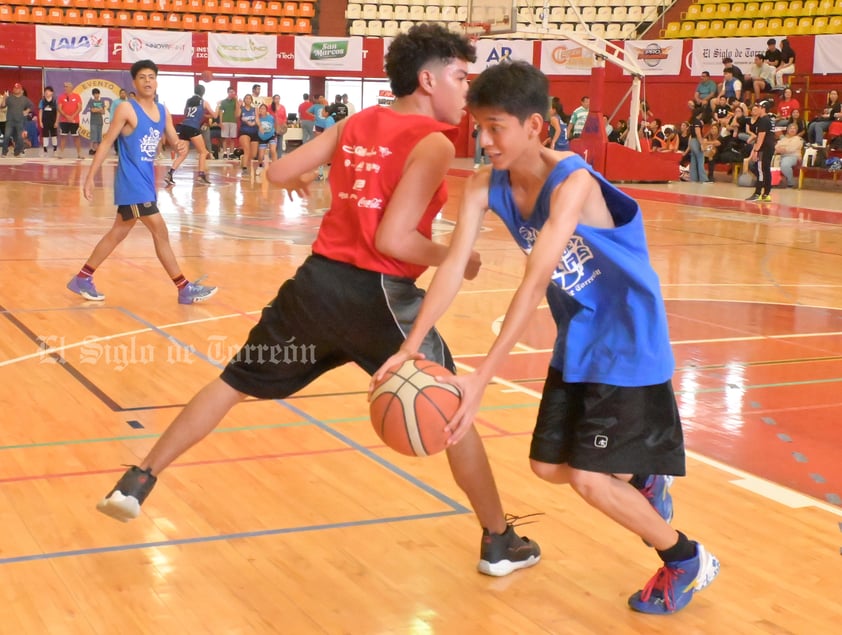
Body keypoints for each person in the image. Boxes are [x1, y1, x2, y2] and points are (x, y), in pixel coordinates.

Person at [94, 26, 541, 579]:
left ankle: (139, 479)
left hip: (315, 286)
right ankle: (498, 540)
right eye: (458, 76)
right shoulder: (433, 141)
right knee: (453, 411)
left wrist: (304, 178)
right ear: (428, 80)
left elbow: (279, 170)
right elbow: (394, 241)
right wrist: (455, 255)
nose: (466, 89)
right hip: (380, 297)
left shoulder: (357, 121)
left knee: (233, 383)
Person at [372, 60, 718, 614]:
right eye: (477, 127)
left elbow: (536, 280)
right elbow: (454, 264)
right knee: (547, 467)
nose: (482, 142)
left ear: (534, 126)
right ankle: (646, 476)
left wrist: (479, 379)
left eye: (495, 128)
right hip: (579, 338)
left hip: (628, 341)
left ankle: (686, 559)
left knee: (588, 477)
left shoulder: (574, 180)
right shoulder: (485, 186)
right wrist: (410, 347)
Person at [67, 59, 217, 305]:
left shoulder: (163, 111)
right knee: (160, 231)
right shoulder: (127, 108)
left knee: (118, 233)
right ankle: (183, 288)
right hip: (132, 183)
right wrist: (90, 177)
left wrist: (179, 146)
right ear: (134, 82)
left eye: (152, 77)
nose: (148, 81)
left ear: (157, 81)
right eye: (143, 77)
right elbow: (106, 143)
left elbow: (173, 141)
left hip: (147, 183)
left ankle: (83, 277)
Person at [165, 84, 216, 186]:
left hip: (184, 126)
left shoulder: (188, 101)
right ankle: (201, 175)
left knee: (183, 154)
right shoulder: (204, 102)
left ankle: (169, 173)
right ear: (203, 93)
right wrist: (218, 106)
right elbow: (215, 115)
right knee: (203, 152)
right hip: (193, 127)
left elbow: (185, 113)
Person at [746, 99, 776, 202]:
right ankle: (766, 194)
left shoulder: (763, 120)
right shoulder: (770, 120)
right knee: (766, 171)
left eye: (758, 107)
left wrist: (756, 150)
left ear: (763, 109)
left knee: (761, 170)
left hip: (764, 148)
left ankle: (758, 193)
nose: (756, 109)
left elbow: (761, 137)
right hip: (770, 147)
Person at [1, 83, 33, 157]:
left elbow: (31, 106)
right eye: (14, 88)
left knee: (19, 137)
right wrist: (4, 98)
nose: (15, 89)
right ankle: (4, 152)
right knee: (6, 136)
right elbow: (2, 106)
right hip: (10, 121)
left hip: (20, 122)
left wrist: (27, 111)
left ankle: (17, 152)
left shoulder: (25, 99)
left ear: (21, 90)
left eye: (17, 88)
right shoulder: (9, 98)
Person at [58, 81, 83, 159]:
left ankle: (79, 154)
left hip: (74, 121)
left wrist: (72, 116)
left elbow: (79, 108)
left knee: (76, 137)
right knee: (63, 136)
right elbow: (59, 108)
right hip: (64, 120)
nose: (65, 88)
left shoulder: (77, 96)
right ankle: (61, 153)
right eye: (64, 86)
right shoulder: (61, 96)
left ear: (71, 87)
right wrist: (66, 116)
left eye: (67, 86)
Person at [774, 122, 804, 188]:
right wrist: (781, 149)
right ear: (787, 130)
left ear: (796, 131)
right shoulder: (783, 139)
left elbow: (791, 148)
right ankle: (773, 182)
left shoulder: (798, 139)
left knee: (785, 165)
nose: (792, 130)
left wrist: (782, 149)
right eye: (791, 128)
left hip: (793, 156)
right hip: (781, 156)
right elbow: (776, 147)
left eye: (794, 128)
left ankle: (791, 182)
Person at [217, 86, 240, 160]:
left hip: (233, 121)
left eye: (233, 92)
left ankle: (231, 153)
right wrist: (220, 122)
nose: (232, 93)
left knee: (232, 138)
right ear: (228, 92)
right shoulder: (223, 101)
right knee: (224, 138)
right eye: (230, 92)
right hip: (225, 121)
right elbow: (221, 112)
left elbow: (237, 110)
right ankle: (224, 153)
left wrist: (236, 100)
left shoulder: (235, 101)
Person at [255, 102, 276, 176]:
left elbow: (275, 124)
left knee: (273, 151)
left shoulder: (271, 117)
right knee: (260, 156)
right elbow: (257, 120)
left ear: (266, 110)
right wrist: (260, 127)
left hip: (271, 135)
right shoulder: (258, 118)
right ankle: (260, 167)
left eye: (263, 108)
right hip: (262, 138)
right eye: (260, 109)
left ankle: (274, 168)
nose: (262, 110)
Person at [39, 85, 59, 156]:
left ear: (52, 93)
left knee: (54, 135)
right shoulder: (42, 101)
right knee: (45, 135)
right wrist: (40, 121)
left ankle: (55, 148)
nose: (46, 93)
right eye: (45, 92)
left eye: (48, 92)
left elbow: (58, 112)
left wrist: (56, 121)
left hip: (53, 121)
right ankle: (45, 148)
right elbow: (40, 111)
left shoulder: (55, 101)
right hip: (45, 121)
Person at [85, 88, 106, 155]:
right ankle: (92, 149)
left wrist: (97, 109)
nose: (96, 95)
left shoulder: (102, 102)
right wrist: (99, 109)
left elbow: (103, 112)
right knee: (93, 136)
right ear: (93, 94)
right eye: (95, 94)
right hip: (93, 121)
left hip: (100, 121)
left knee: (99, 136)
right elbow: (92, 110)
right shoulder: (91, 101)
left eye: (97, 93)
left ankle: (98, 149)